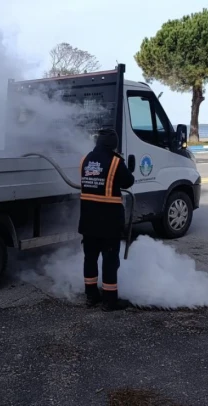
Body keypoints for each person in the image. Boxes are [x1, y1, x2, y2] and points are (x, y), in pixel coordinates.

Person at [78, 127, 135, 311]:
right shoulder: (115, 162)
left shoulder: (85, 160)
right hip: (108, 222)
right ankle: (110, 301)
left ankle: (91, 296)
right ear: (113, 145)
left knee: (90, 259)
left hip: (87, 221)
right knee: (110, 261)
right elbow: (128, 181)